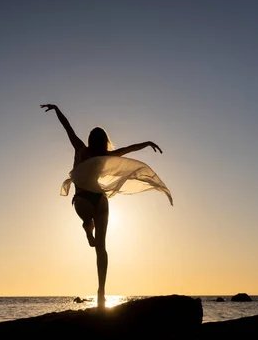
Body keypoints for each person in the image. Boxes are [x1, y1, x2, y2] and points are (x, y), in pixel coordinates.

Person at [40, 103, 173, 309]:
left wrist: (56, 109)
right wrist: (146, 143)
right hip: (92, 200)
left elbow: (69, 129)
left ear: (93, 141)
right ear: (102, 142)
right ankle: (100, 286)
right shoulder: (92, 153)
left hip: (89, 200)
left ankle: (89, 237)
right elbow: (126, 148)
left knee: (95, 237)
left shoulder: (88, 152)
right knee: (100, 247)